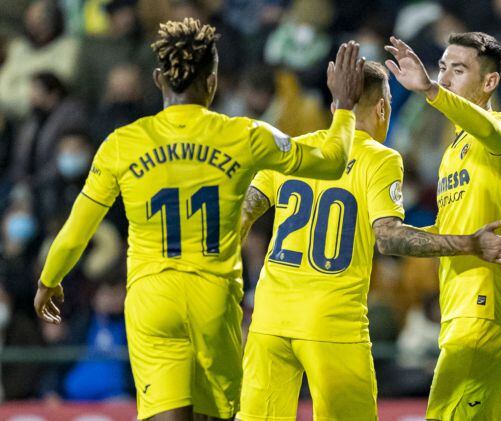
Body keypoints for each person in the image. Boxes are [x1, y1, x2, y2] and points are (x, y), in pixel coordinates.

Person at [32, 18, 366, 420]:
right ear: (212, 81)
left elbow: (75, 231)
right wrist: (344, 108)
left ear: (158, 79)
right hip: (213, 299)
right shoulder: (244, 135)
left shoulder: (122, 144)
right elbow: (330, 163)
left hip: (152, 299)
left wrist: (50, 280)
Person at [236, 61, 501, 420]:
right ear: (383, 108)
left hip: (268, 321)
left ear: (335, 106)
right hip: (332, 325)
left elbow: (241, 215)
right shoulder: (379, 158)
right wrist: (470, 243)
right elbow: (389, 239)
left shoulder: (292, 149)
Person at [384, 32, 501, 420]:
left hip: (482, 310)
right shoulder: (453, 152)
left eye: (459, 69)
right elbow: (452, 233)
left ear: (489, 82)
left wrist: (431, 91)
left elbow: (487, 128)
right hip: (461, 309)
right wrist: (395, 237)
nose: (446, 78)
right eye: (443, 69)